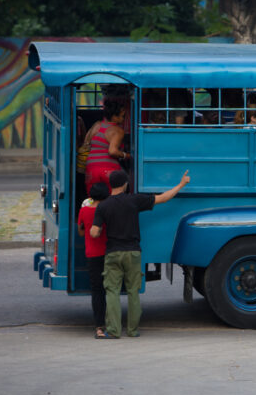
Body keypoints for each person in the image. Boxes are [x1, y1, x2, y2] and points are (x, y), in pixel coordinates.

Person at [90, 169, 190, 339]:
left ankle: (113, 331)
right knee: (132, 291)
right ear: (124, 184)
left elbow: (94, 232)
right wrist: (181, 184)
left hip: (113, 253)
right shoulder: (134, 200)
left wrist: (95, 231)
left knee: (112, 291)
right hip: (133, 252)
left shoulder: (103, 206)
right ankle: (132, 330)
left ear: (111, 185)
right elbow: (163, 198)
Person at [77, 182, 110, 339]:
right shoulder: (109, 210)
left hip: (92, 255)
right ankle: (113, 324)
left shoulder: (84, 211)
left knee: (97, 291)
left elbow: (82, 232)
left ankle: (99, 327)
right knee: (111, 289)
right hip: (110, 254)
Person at [83, 99, 129, 194]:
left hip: (91, 168)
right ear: (114, 116)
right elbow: (112, 151)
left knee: (93, 197)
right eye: (122, 116)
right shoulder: (118, 131)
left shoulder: (97, 125)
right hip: (109, 169)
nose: (123, 119)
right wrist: (126, 155)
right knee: (113, 199)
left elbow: (86, 143)